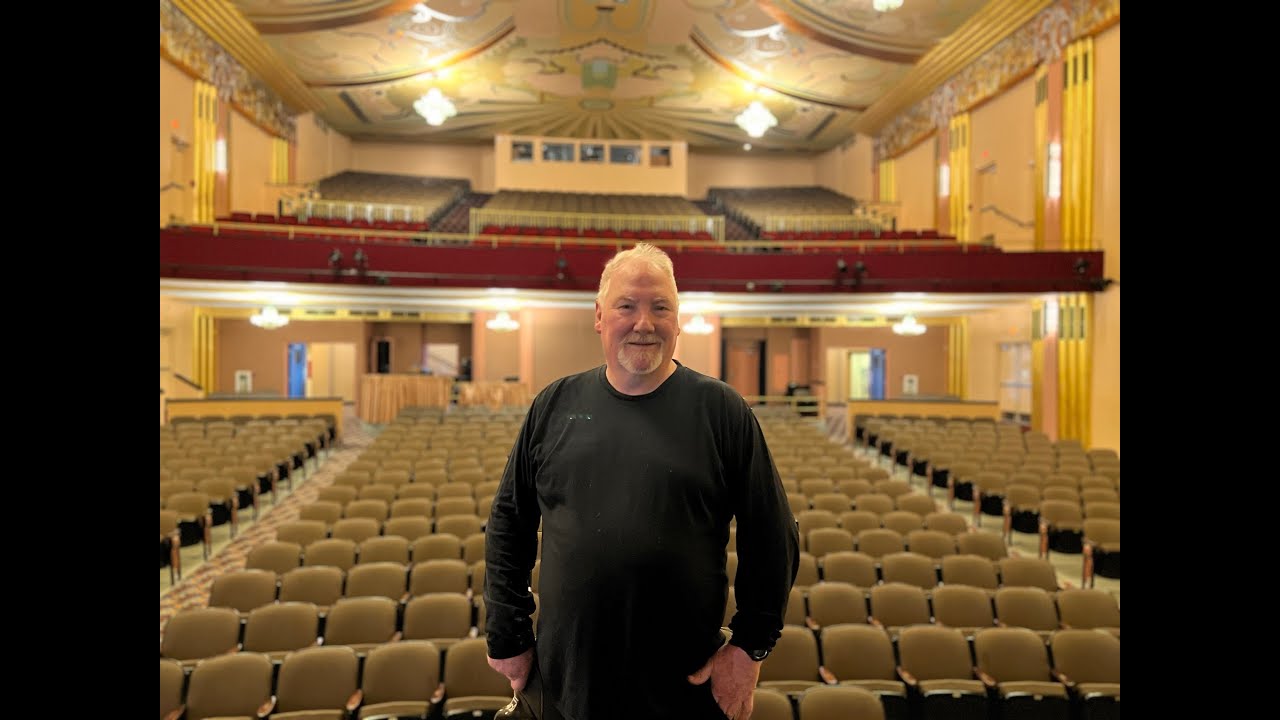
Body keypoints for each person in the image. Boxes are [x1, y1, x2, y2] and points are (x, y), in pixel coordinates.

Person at [485, 243, 800, 720]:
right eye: (626, 306)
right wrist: (506, 633)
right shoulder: (554, 405)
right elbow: (509, 522)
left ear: (678, 320)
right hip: (566, 681)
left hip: (684, 686)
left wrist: (749, 647)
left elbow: (772, 534)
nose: (644, 323)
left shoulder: (721, 411)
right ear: (599, 316)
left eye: (660, 308)